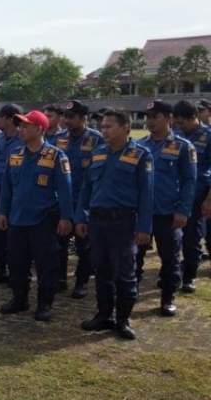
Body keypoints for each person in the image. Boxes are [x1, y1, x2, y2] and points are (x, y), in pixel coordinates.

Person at [75, 108, 153, 340]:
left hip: (124, 222)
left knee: (125, 274)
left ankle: (123, 319)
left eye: (109, 126)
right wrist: (80, 216)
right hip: (97, 222)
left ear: (126, 128)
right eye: (102, 126)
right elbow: (86, 189)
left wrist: (144, 228)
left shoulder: (140, 155)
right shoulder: (97, 153)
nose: (104, 130)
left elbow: (146, 194)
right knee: (101, 270)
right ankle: (104, 315)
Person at [0, 110, 73, 321]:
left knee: (46, 265)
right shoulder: (15, 155)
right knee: (16, 262)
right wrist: (2, 211)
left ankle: (44, 304)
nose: (21, 129)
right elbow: (7, 188)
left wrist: (66, 217)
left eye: (26, 126)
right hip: (17, 219)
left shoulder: (56, 156)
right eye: (20, 126)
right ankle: (19, 299)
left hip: (43, 220)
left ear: (40, 128)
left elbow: (66, 190)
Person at [136, 100, 196, 316]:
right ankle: (129, 297)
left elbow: (190, 180)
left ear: (169, 118)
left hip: (168, 213)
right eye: (148, 117)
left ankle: (167, 299)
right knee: (135, 257)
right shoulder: (140, 146)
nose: (150, 121)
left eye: (155, 116)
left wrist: (183, 210)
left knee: (169, 258)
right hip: (142, 212)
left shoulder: (182, 146)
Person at [53, 100, 104, 298]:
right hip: (62, 199)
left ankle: (81, 282)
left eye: (72, 117)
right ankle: (60, 278)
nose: (67, 121)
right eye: (66, 117)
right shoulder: (59, 138)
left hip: (86, 200)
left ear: (84, 118)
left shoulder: (97, 139)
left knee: (84, 246)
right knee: (60, 243)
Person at [173, 100, 211, 293]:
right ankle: (173, 274)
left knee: (191, 238)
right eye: (177, 123)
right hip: (175, 194)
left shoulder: (208, 135)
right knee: (173, 238)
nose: (179, 127)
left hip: (199, 194)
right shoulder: (176, 135)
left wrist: (209, 199)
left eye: (182, 123)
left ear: (193, 117)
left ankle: (188, 276)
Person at [0, 104, 24, 284]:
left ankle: (16, 273)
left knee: (14, 235)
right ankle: (0, 270)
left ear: (9, 119)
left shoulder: (23, 139)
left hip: (15, 191)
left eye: (0, 117)